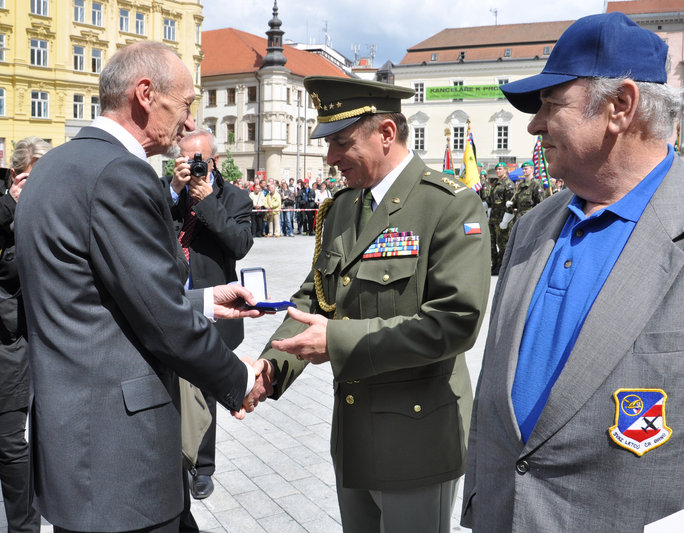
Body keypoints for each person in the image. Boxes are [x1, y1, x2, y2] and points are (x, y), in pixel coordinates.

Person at [462, 12, 684, 532]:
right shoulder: (533, 227)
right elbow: (496, 396)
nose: (534, 124)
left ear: (621, 106)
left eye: (553, 105)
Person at [15, 41, 270, 533]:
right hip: (121, 461)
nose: (190, 122)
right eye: (186, 104)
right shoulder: (119, 173)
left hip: (75, 450)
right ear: (146, 94)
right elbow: (161, 321)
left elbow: (95, 294)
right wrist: (238, 381)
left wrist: (203, 301)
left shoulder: (53, 168)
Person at [259, 75, 490, 533]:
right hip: (354, 430)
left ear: (386, 134)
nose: (330, 158)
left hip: (416, 437)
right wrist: (270, 368)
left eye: (342, 143)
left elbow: (455, 323)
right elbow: (315, 296)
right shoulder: (345, 205)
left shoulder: (448, 206)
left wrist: (337, 342)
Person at [163, 129, 255, 515]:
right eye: (183, 159)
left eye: (197, 160)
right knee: (170, 386)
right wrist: (173, 189)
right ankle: (173, 460)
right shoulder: (167, 191)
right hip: (171, 301)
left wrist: (208, 203)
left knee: (205, 392)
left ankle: (203, 466)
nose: (191, 166)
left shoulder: (235, 198)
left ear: (214, 161)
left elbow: (240, 244)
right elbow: (152, 227)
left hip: (213, 306)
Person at [0, 138, 51, 533]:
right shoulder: (8, 212)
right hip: (10, 343)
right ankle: (24, 527)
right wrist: (17, 212)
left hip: (44, 340)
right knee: (12, 442)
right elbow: (10, 272)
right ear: (18, 177)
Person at [488, 162, 514, 275]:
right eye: (497, 169)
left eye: (500, 169)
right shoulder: (495, 183)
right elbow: (491, 201)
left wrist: (505, 220)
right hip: (493, 218)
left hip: (502, 219)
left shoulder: (508, 184)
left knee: (502, 244)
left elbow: (511, 204)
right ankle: (495, 265)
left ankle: (502, 266)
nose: (498, 171)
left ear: (505, 170)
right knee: (492, 243)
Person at [509, 160, 546, 224]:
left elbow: (540, 203)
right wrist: (511, 204)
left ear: (532, 169)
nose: (523, 171)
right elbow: (517, 201)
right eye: (523, 169)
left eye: (526, 169)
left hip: (530, 218)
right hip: (519, 218)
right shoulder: (521, 184)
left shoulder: (536, 184)